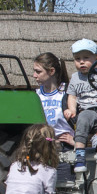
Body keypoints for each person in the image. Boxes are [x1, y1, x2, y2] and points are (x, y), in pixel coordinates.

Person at [64, 39, 97, 174]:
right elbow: (72, 96)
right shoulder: (75, 78)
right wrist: (71, 109)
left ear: (96, 59)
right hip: (87, 111)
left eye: (86, 58)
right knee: (82, 119)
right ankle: (80, 155)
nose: (81, 62)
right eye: (77, 59)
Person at [33, 51, 75, 186]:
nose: (34, 75)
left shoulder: (67, 93)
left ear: (51, 71)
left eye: (38, 72)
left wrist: (74, 140)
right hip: (42, 149)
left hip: (64, 149)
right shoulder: (36, 95)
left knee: (64, 188)